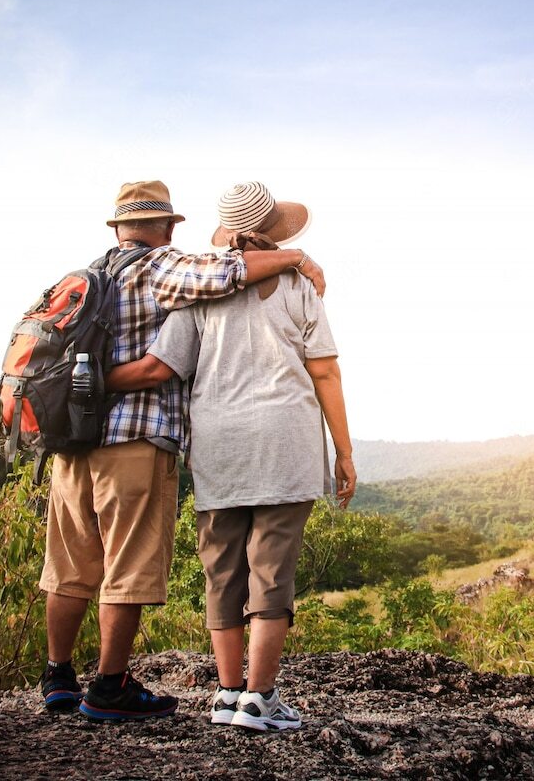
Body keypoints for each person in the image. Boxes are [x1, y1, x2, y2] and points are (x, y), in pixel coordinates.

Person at [37, 180, 326, 721]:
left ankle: (58, 679)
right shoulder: (161, 267)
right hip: (131, 439)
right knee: (127, 567)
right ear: (167, 226)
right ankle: (109, 686)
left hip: (71, 441)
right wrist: (298, 257)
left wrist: (79, 386)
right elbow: (227, 274)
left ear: (117, 227)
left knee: (70, 566)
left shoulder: (89, 275)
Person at [106, 181, 356, 732]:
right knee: (272, 570)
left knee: (222, 572)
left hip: (218, 446)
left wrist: (84, 384)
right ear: (277, 230)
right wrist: (344, 451)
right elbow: (325, 371)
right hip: (284, 440)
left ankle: (226, 695)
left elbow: (162, 366)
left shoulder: (201, 293)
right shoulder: (298, 285)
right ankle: (260, 700)